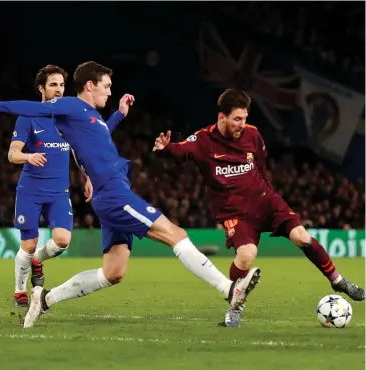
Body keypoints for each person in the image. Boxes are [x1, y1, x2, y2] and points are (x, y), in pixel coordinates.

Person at [0, 61, 262, 329]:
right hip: (112, 192)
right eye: (107, 86)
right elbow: (34, 108)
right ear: (90, 85)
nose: (110, 91)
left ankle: (44, 298)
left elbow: (97, 139)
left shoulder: (90, 116)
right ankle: (229, 290)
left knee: (113, 272)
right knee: (176, 234)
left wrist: (119, 116)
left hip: (112, 190)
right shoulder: (71, 106)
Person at [153, 88, 365, 328]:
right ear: (221, 117)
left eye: (244, 118)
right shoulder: (204, 140)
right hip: (236, 213)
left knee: (301, 236)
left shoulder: (252, 134)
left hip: (265, 201)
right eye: (237, 119)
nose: (242, 124)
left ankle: (337, 281)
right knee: (246, 257)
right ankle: (235, 307)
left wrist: (269, 193)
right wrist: (167, 146)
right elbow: (182, 148)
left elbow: (262, 166)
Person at [8, 65, 98, 309]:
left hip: (59, 191)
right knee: (27, 244)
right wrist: (28, 156)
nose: (58, 90)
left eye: (61, 85)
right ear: (41, 88)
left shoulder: (68, 119)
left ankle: (38, 261)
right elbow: (12, 154)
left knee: (62, 240)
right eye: (53, 85)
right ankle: (19, 292)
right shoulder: (28, 117)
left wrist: (88, 176)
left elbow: (78, 152)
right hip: (31, 190)